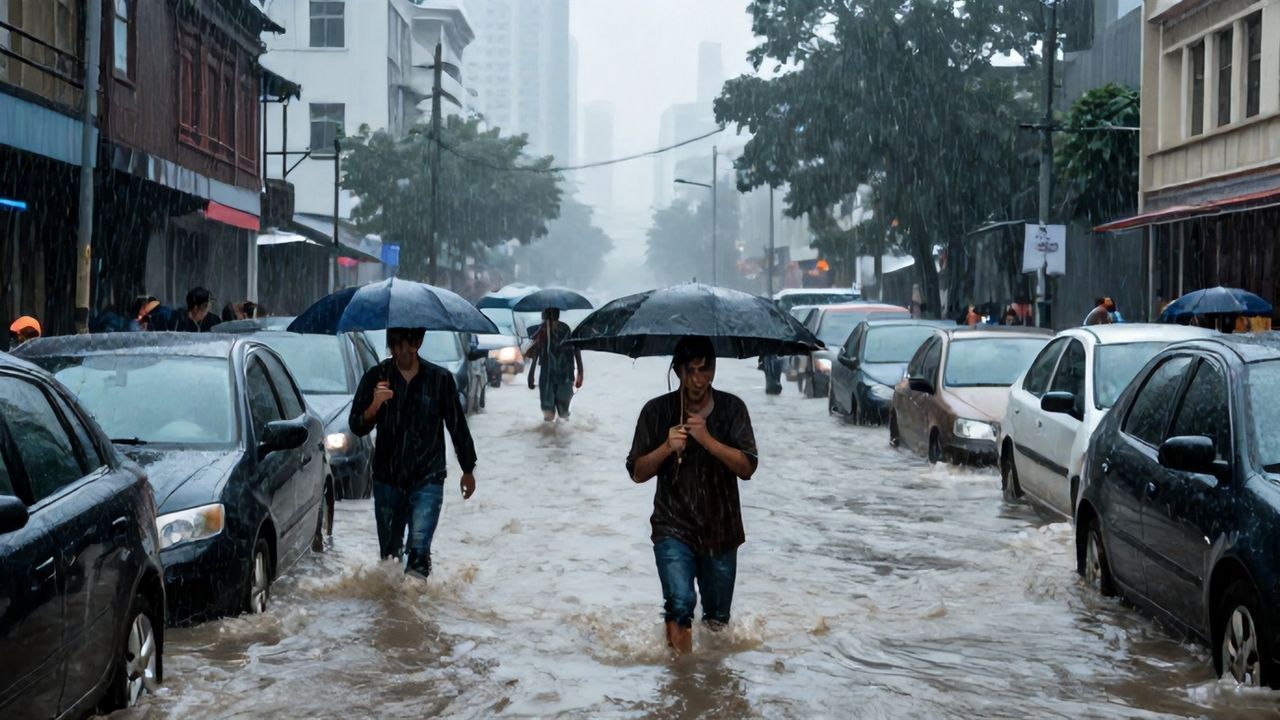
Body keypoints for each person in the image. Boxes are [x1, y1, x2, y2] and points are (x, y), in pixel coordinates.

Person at [626, 336, 758, 655]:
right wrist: (666, 447)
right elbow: (637, 472)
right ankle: (680, 674)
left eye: (705, 369)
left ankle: (709, 676)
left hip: (721, 529)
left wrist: (707, 439)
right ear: (678, 371)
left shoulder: (732, 409)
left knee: (717, 622)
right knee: (679, 603)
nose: (699, 379)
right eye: (691, 370)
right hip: (672, 525)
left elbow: (747, 467)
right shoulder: (657, 412)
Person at [349, 327, 477, 579]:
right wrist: (375, 404)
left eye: (404, 345)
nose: (398, 352)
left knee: (419, 551)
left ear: (417, 343)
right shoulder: (377, 376)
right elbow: (357, 425)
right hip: (388, 477)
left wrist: (468, 469)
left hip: (428, 477)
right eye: (393, 346)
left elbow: (457, 426)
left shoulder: (439, 380)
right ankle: (393, 601)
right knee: (390, 558)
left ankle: (416, 598)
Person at [526, 307, 584, 421]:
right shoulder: (548, 330)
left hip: (554, 377)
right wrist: (580, 373)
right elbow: (576, 349)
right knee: (560, 412)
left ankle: (553, 431)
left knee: (552, 413)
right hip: (561, 376)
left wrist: (531, 375)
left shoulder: (544, 330)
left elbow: (535, 354)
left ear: (545, 315)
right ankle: (562, 431)